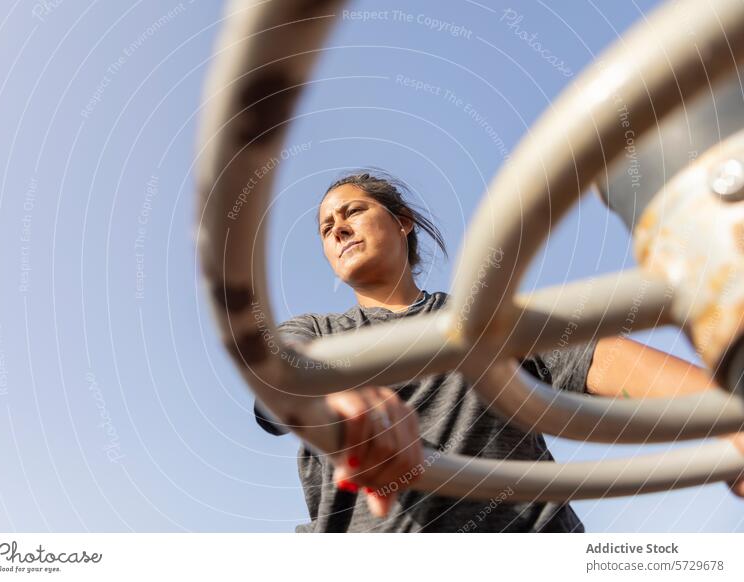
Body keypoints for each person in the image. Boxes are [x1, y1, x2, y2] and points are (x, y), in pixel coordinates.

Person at [253, 170, 744, 533]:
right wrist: (329, 404)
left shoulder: (482, 319)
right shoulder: (316, 330)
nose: (337, 229)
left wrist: (730, 420)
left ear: (403, 223)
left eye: (352, 211)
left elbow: (605, 357)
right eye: (325, 227)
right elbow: (277, 380)